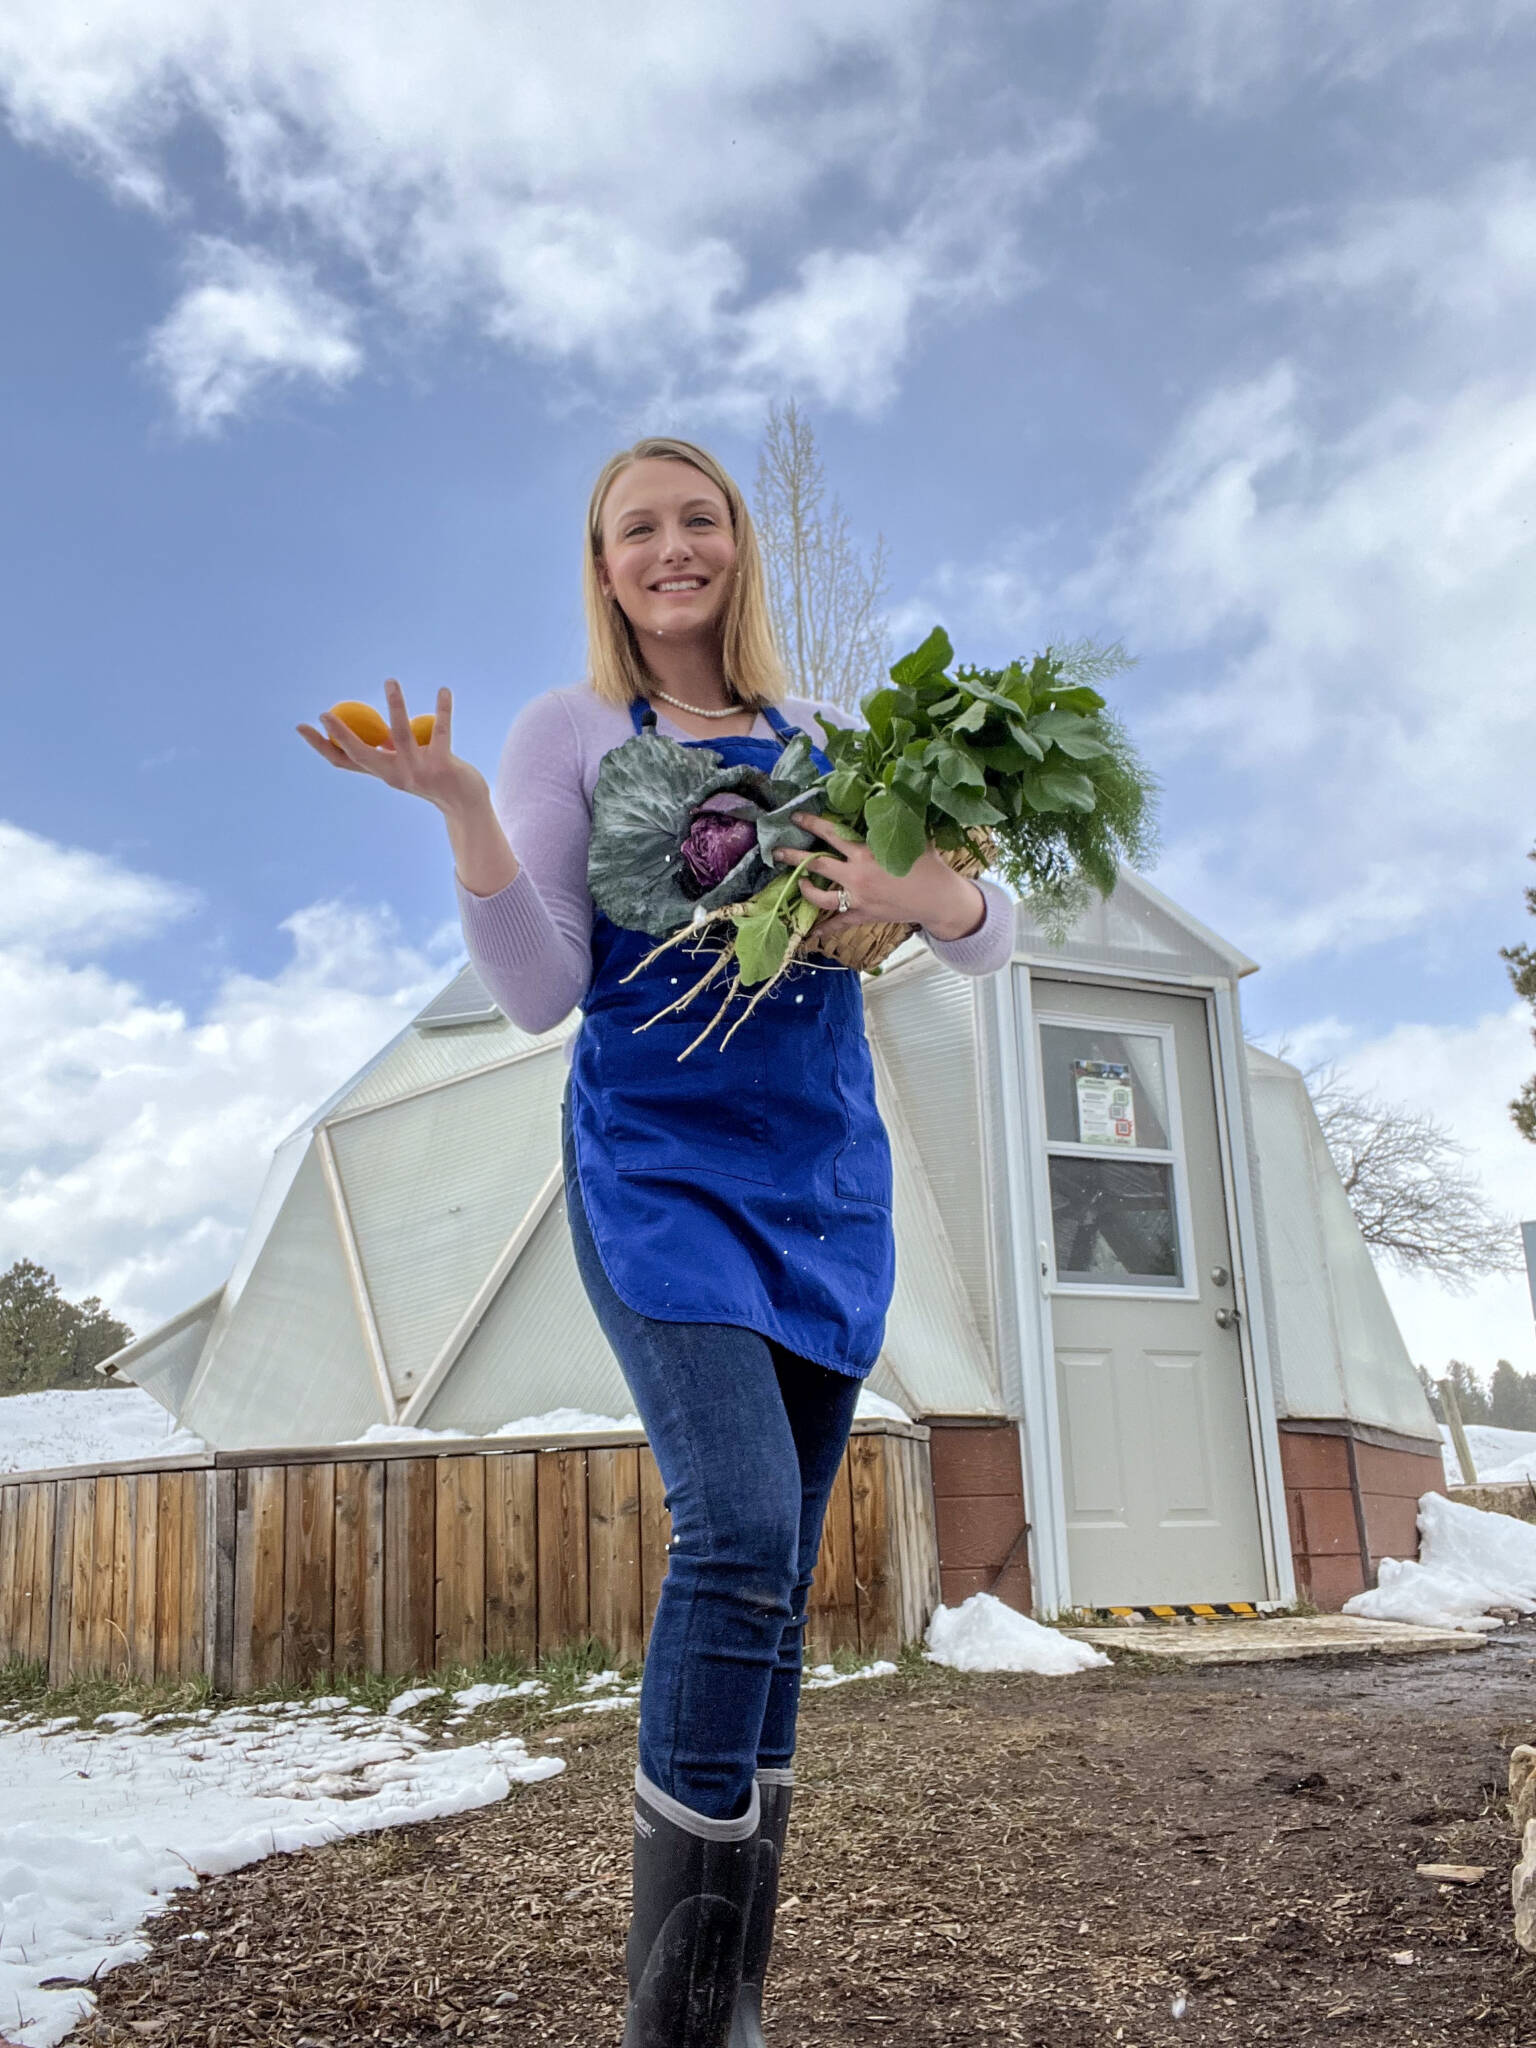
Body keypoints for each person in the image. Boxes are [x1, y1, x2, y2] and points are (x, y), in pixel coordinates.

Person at [298, 435, 1014, 2046]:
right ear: (606, 565)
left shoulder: (827, 739)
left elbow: (987, 933)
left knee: (772, 1596)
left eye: (700, 520)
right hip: (658, 1172)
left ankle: (726, 2004)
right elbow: (544, 987)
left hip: (823, 1185)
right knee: (742, 1533)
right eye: (640, 530)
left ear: (739, 549)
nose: (673, 548)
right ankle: (673, 2028)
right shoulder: (568, 734)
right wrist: (468, 810)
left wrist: (924, 889)